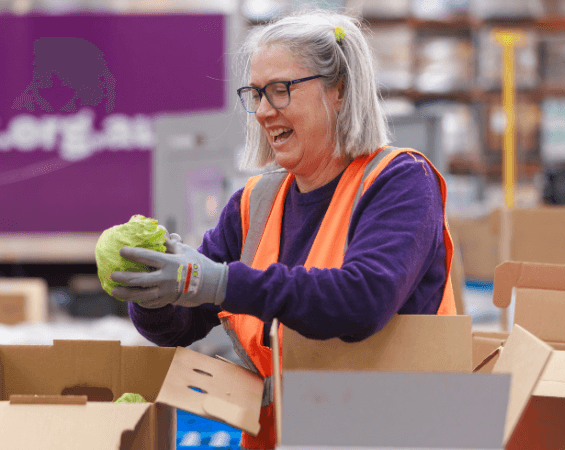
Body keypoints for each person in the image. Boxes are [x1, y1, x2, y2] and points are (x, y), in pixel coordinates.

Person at [110, 9, 456, 450]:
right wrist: (155, 296)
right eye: (255, 94)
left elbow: (363, 300)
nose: (262, 111)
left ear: (339, 90)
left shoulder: (400, 182)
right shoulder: (255, 204)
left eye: (280, 91)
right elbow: (182, 326)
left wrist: (219, 282)